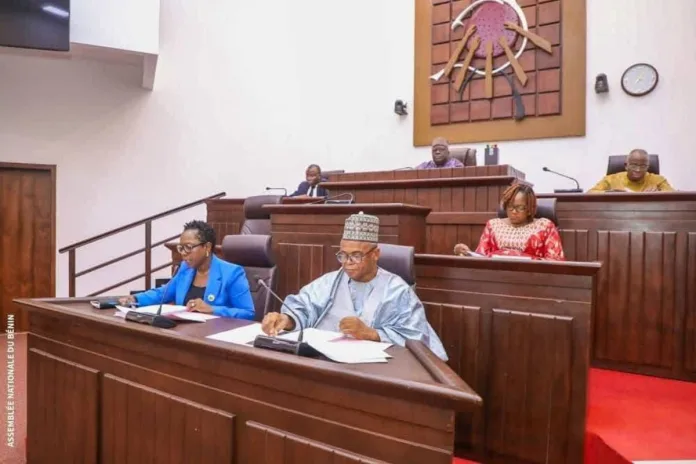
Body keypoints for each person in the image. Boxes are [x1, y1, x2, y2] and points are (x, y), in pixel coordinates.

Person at [260, 212, 448, 360]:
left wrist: (372, 334)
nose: (347, 262)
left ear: (375, 254)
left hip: (376, 373)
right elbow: (304, 308)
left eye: (356, 255)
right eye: (343, 255)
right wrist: (287, 320)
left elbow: (417, 339)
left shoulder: (397, 291)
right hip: (323, 362)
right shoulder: (330, 282)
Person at [118, 220, 255, 319]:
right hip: (185, 335)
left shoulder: (232, 273)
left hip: (216, 340)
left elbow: (248, 313)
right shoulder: (185, 269)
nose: (183, 253)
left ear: (207, 247)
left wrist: (213, 309)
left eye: (188, 247)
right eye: (181, 248)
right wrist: (135, 298)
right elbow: (163, 293)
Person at [453, 183, 565, 260]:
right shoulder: (493, 225)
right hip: (495, 278)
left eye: (520, 208)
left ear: (530, 209)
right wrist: (467, 253)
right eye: (510, 207)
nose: (513, 212)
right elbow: (481, 257)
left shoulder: (544, 226)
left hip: (533, 279)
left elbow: (555, 261)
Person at [588, 149, 674, 193]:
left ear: (648, 167)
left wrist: (659, 193)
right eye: (634, 165)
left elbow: (674, 196)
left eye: (643, 166)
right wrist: (610, 193)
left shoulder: (657, 180)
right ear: (626, 166)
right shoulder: (612, 179)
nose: (638, 170)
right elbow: (590, 193)